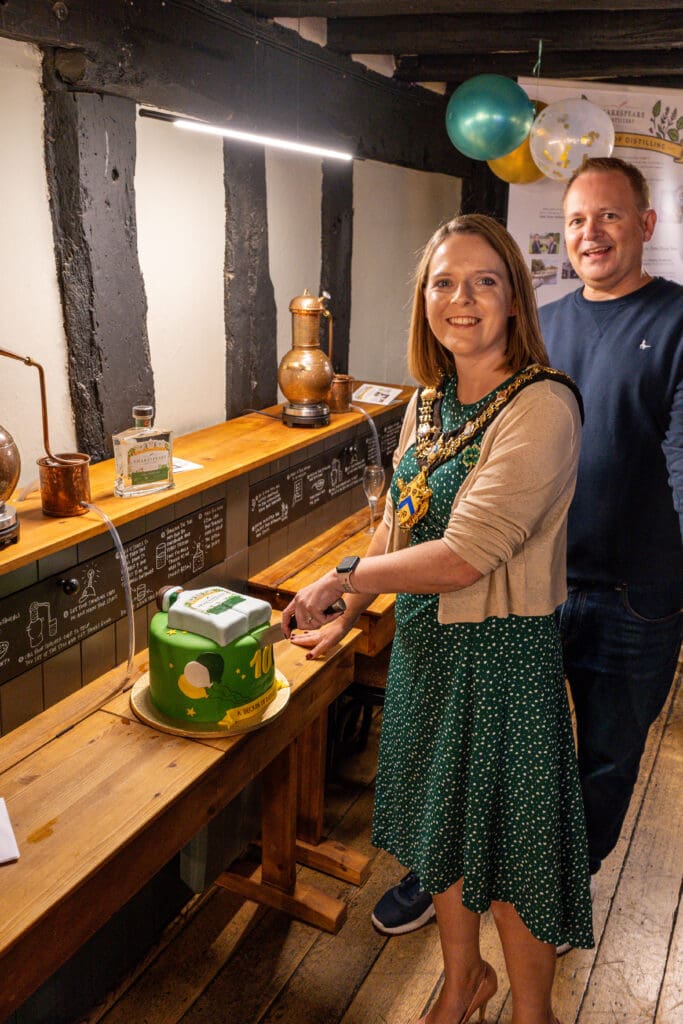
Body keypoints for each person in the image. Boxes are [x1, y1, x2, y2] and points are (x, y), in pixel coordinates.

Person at [282, 214, 593, 1024]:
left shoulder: (542, 407)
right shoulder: (428, 404)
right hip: (427, 651)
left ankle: (532, 1009)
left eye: (484, 281)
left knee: (511, 853)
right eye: (444, 282)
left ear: (514, 302)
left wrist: (339, 574)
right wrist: (344, 615)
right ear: (424, 300)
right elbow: (399, 525)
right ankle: (463, 981)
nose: (462, 298)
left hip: (501, 659)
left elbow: (464, 554)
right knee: (441, 835)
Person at [372, 157, 683, 953]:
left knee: (600, 764)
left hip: (632, 593)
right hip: (534, 586)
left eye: (609, 217)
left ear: (644, 225)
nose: (591, 234)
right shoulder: (541, 324)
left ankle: (546, 899)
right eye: (577, 219)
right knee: (502, 769)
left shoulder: (677, 323)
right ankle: (464, 879)